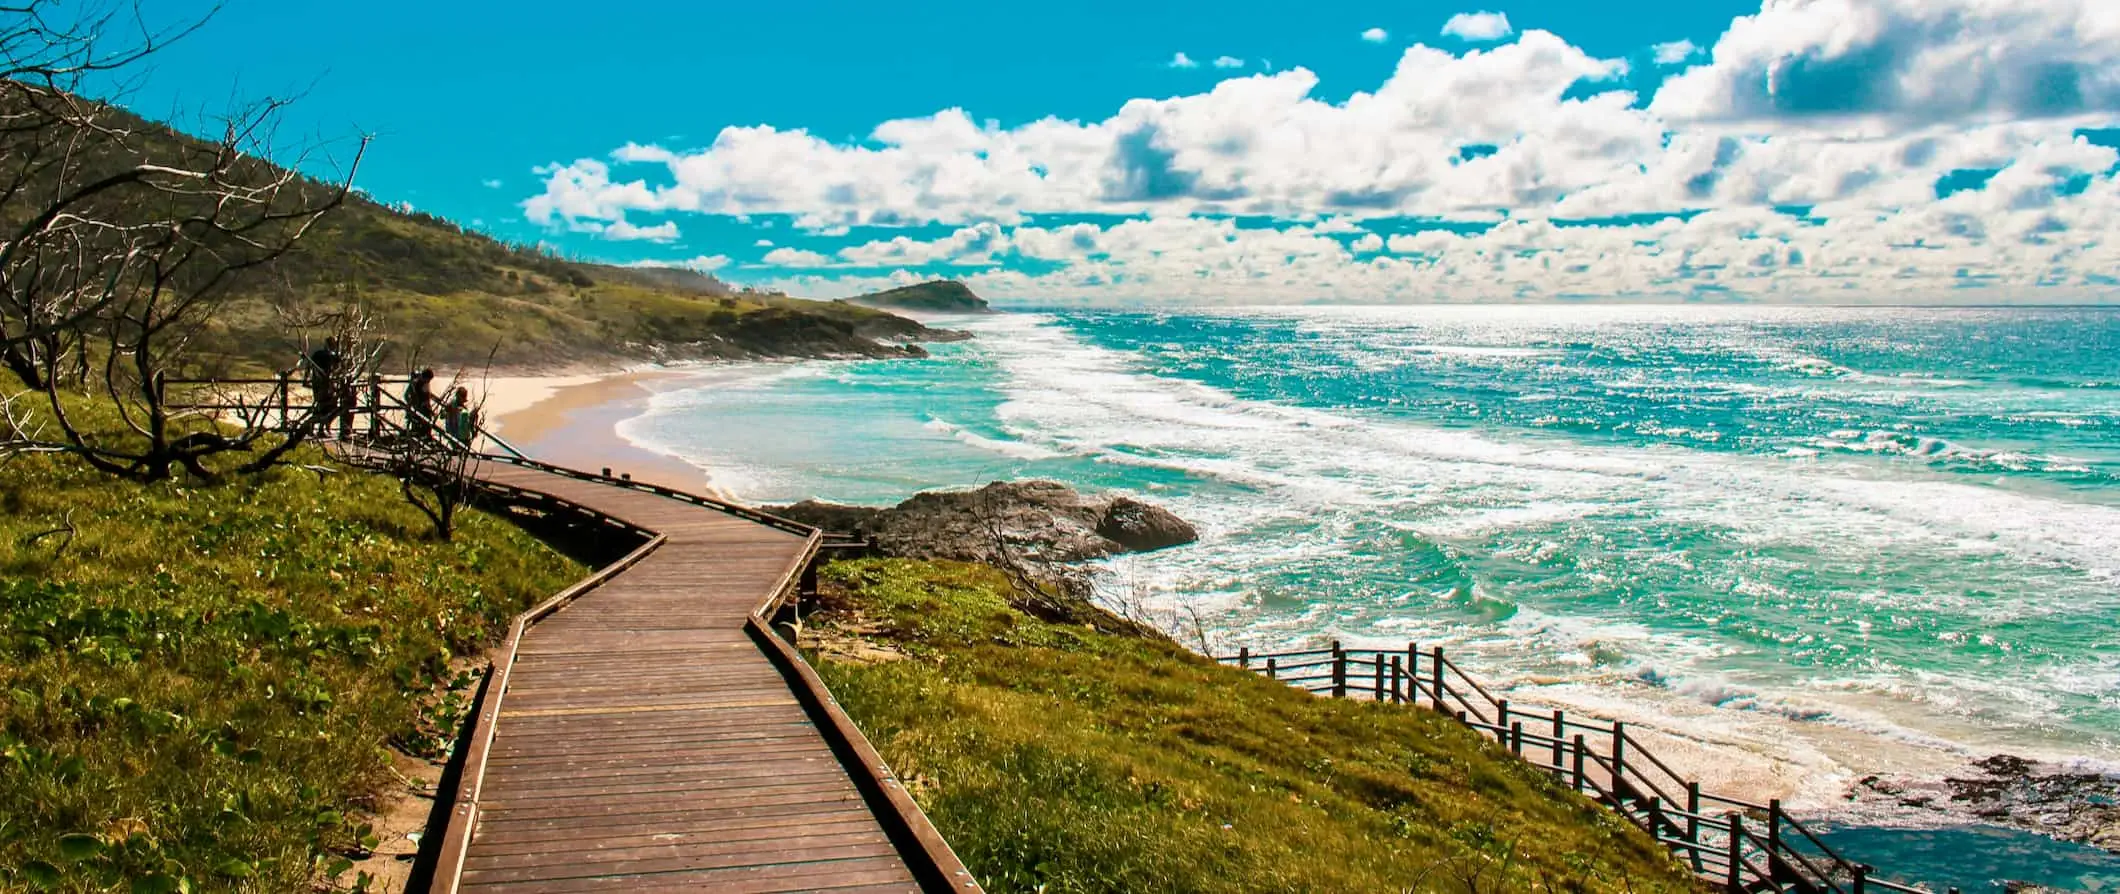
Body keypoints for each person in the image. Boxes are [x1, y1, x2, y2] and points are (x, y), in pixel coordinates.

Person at [305, 338, 343, 435]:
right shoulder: (319, 354)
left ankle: (321, 427)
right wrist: (306, 378)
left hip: (328, 384)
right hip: (319, 384)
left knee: (330, 407)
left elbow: (339, 368)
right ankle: (315, 427)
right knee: (322, 406)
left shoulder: (333, 356)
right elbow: (310, 366)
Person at [402, 369, 437, 440]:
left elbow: (428, 395)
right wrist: (412, 404)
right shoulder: (415, 383)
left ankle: (426, 436)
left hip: (425, 408)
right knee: (419, 425)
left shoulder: (425, 383)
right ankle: (420, 438)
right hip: (418, 409)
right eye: (428, 379)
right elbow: (406, 395)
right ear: (424, 377)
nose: (429, 381)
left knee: (427, 423)